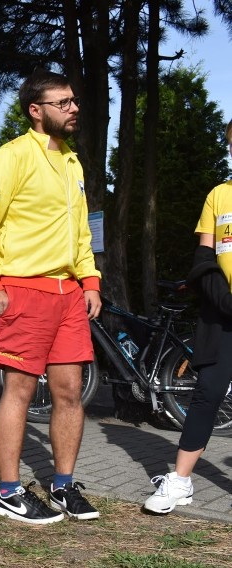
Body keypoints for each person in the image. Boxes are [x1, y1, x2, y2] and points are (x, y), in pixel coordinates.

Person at [0, 68, 103, 524]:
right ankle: (7, 492)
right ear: (36, 110)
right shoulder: (11, 156)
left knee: (69, 392)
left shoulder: (73, 162)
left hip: (69, 295)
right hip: (23, 290)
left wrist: (90, 281)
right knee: (20, 390)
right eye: (63, 103)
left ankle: (63, 486)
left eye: (73, 101)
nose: (73, 108)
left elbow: (81, 232)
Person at [143, 118, 232, 514]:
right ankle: (179, 483)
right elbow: (204, 256)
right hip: (223, 316)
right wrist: (220, 297)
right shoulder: (219, 195)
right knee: (207, 394)